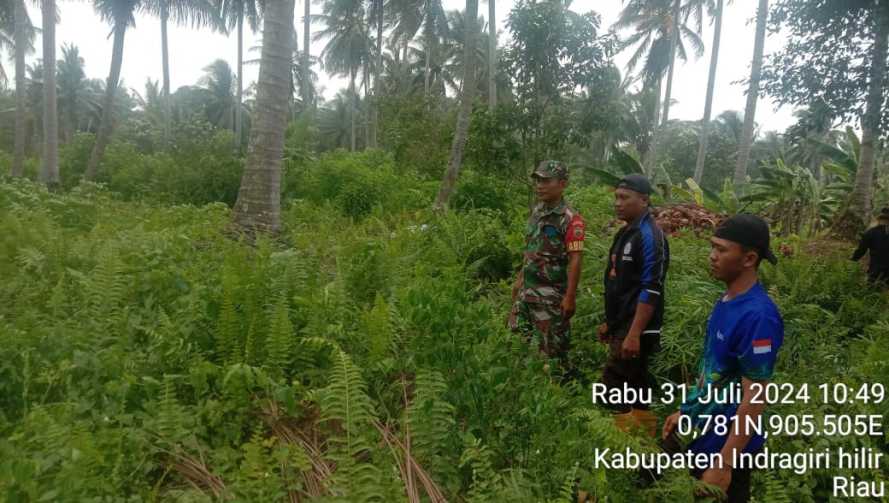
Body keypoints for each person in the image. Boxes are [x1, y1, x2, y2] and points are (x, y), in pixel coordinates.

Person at [662, 214, 784, 503]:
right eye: (712, 247)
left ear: (749, 258)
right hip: (704, 429)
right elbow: (718, 375)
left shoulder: (758, 317)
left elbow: (754, 397)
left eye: (721, 249)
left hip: (728, 445)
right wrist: (687, 412)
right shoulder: (727, 300)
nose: (712, 256)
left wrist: (724, 463)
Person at [599, 174, 668, 436]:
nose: (617, 203)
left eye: (624, 198)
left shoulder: (650, 236)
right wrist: (611, 322)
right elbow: (619, 283)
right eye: (616, 197)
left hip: (637, 329)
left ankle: (621, 444)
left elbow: (651, 287)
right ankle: (643, 447)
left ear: (644, 200)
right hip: (623, 326)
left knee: (613, 388)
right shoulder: (625, 232)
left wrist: (634, 333)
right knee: (636, 388)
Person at [509, 160, 585, 371]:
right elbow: (530, 251)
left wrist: (570, 297)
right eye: (538, 180)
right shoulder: (537, 212)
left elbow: (576, 259)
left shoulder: (570, 219)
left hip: (550, 299)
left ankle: (559, 392)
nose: (540, 185)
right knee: (516, 347)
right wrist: (518, 284)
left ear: (562, 184)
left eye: (546, 180)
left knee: (553, 355)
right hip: (526, 294)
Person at [851, 207, 889, 287]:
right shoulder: (871, 232)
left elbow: (861, 250)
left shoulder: (871, 232)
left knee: (872, 291)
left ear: (878, 219)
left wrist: (853, 259)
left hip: (876, 270)